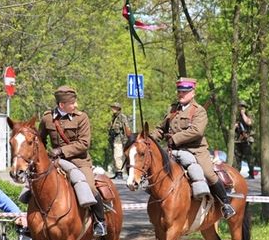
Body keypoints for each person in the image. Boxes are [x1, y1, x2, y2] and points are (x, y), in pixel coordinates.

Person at [150, 77, 236, 219]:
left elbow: (197, 131)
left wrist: (175, 138)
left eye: (184, 91)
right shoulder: (172, 109)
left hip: (195, 150)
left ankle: (225, 204)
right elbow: (160, 128)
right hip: (173, 151)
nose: (181, 94)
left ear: (192, 93)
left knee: (208, 173)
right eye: (179, 91)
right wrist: (149, 139)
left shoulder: (199, 111)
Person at [38, 85, 107, 237]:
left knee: (89, 186)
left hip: (79, 161)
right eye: (72, 103)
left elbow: (84, 144)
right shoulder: (47, 118)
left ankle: (100, 221)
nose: (75, 105)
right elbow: (40, 141)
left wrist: (61, 150)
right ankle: (32, 224)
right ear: (62, 105)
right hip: (55, 162)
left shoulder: (81, 117)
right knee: (34, 185)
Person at [108, 102, 131, 180]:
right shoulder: (114, 117)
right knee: (116, 156)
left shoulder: (122, 117)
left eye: (114, 107)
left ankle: (119, 172)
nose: (112, 109)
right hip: (115, 139)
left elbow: (126, 128)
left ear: (118, 109)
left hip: (120, 139)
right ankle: (117, 172)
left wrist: (127, 139)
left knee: (118, 156)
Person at [234, 100, 255, 179]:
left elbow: (249, 123)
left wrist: (243, 114)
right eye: (240, 106)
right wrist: (235, 126)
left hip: (247, 139)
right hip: (239, 139)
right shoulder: (237, 116)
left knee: (249, 157)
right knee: (237, 158)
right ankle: (237, 174)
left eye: (243, 107)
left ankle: (251, 174)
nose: (241, 108)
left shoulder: (249, 114)